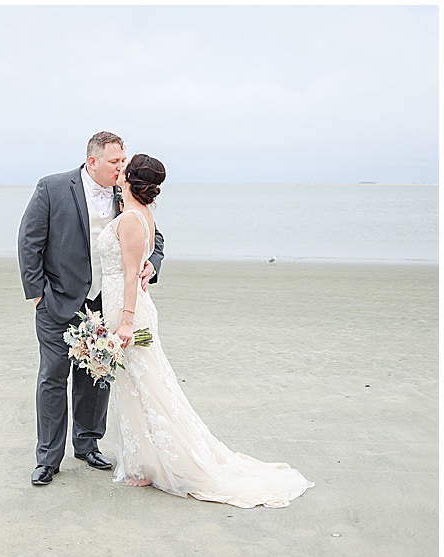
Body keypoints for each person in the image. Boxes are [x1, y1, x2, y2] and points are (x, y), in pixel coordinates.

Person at [99, 153, 314, 507]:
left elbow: (127, 274)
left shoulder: (131, 221)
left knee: (149, 388)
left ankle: (166, 463)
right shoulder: (139, 214)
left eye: (124, 166)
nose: (118, 169)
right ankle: (143, 464)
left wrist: (124, 322)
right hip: (122, 304)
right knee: (136, 387)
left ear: (130, 179)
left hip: (129, 311)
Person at [17, 132, 164, 486]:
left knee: (97, 377)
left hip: (105, 303)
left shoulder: (125, 192)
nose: (122, 167)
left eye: (124, 161)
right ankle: (48, 458)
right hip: (58, 301)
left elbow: (153, 237)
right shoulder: (51, 188)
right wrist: (38, 294)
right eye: (115, 162)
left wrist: (152, 263)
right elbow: (29, 241)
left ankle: (87, 444)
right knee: (53, 377)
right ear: (93, 161)